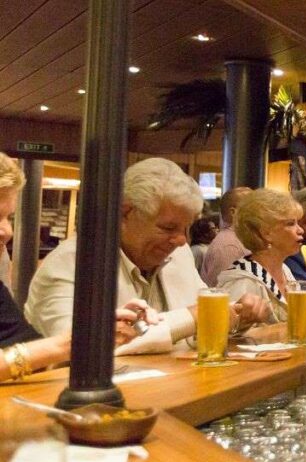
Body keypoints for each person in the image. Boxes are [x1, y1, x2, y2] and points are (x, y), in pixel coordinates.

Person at [25, 158, 268, 354]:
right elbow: (75, 348)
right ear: (125, 214)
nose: (182, 240)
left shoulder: (179, 253)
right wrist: (190, 318)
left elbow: (199, 327)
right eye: (168, 228)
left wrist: (236, 318)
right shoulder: (71, 263)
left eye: (186, 229)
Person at [0, 153, 158, 378]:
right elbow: (43, 352)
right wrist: (65, 346)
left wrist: (100, 331)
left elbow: (32, 355)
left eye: (8, 218)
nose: (7, 231)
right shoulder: (66, 258)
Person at [218, 189, 305, 323]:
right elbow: (228, 335)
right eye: (290, 224)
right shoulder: (244, 280)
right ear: (266, 233)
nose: (301, 230)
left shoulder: (285, 270)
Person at [201, 186, 252, 286]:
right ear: (233, 212)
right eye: (253, 206)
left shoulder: (239, 241)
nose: (260, 212)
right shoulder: (229, 246)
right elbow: (224, 292)